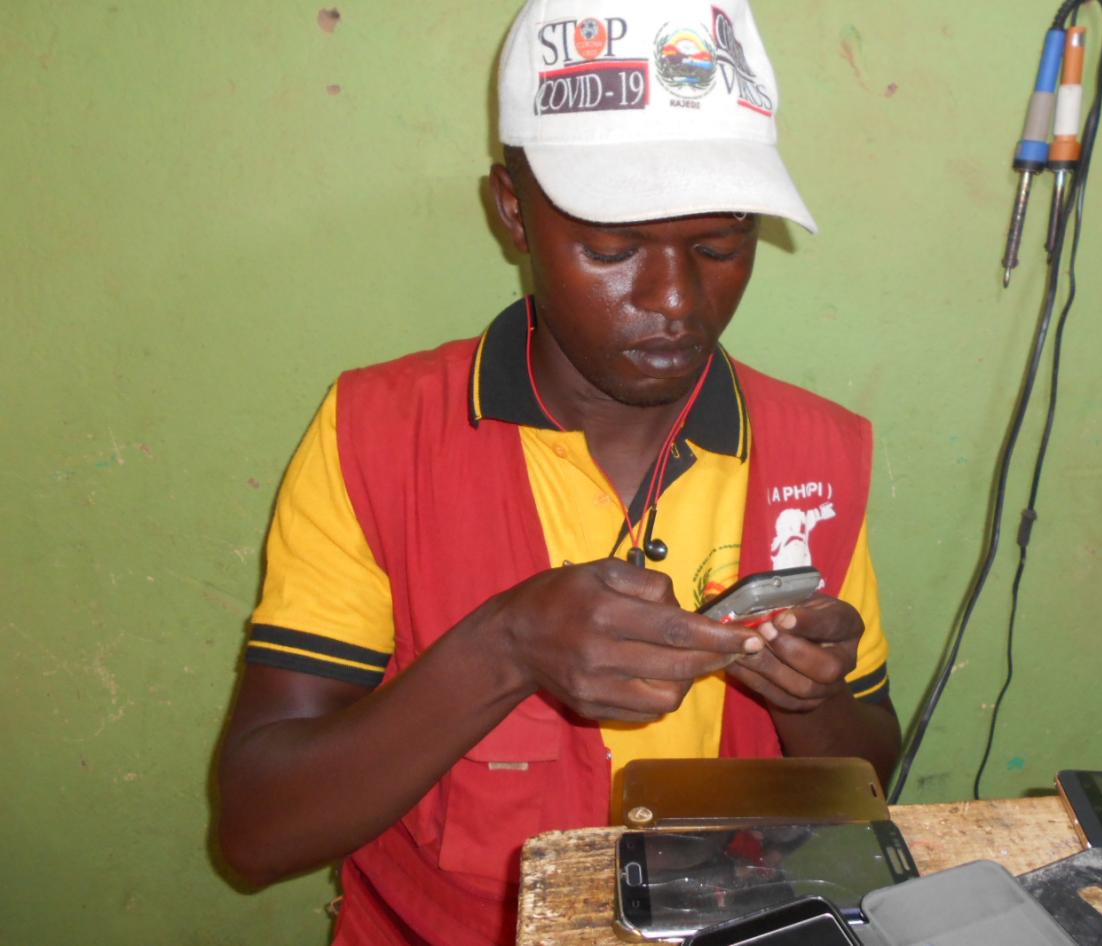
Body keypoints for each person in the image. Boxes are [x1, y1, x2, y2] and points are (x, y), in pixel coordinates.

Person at [216, 1, 900, 943]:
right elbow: (257, 832)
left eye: (719, 245)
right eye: (613, 248)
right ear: (513, 211)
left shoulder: (815, 452)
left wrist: (810, 697)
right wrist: (504, 651)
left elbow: (871, 775)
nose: (674, 300)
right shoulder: (377, 435)